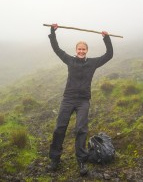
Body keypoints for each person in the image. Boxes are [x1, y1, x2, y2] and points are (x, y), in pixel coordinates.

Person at [46, 23, 113, 176]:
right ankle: (55, 159)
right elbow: (56, 49)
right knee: (59, 128)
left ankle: (81, 161)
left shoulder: (92, 63)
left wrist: (106, 38)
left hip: (83, 101)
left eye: (84, 49)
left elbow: (109, 55)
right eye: (79, 49)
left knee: (81, 130)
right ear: (76, 50)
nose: (81, 51)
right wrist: (52, 32)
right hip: (68, 99)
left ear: (86, 51)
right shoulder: (70, 60)